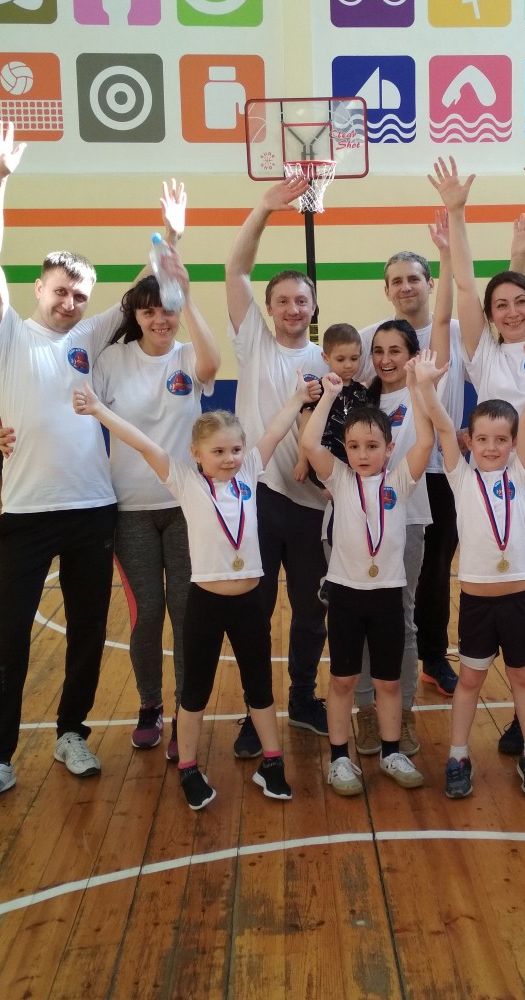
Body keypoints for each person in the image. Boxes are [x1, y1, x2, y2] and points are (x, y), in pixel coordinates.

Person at [72, 377, 313, 810]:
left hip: (251, 602)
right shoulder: (184, 482)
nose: (229, 458)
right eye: (218, 451)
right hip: (206, 604)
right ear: (196, 454)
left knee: (260, 688)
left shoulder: (250, 472)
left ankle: (272, 762)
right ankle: (188, 768)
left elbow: (276, 431)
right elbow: (142, 443)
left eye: (235, 449)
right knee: (195, 691)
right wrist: (98, 411)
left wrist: (298, 398)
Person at [429, 143, 525, 761]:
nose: (513, 309)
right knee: (516, 615)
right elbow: (465, 283)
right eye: (502, 304)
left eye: (522, 301)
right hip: (500, 495)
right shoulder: (483, 355)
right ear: (491, 316)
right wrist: (457, 212)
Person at [0, 123, 123, 808]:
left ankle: (72, 731)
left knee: (89, 631)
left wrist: (172, 238)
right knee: (8, 637)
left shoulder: (89, 337)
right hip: (28, 512)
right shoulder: (6, 333)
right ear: (39, 287)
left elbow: (147, 295)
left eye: (80, 294)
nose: (70, 302)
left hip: (93, 508)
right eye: (62, 290)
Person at [95, 240, 219, 759]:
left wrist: (185, 295)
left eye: (167, 310)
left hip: (186, 507)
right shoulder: (111, 360)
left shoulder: (188, 356)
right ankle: (149, 703)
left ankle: (184, 712)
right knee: (146, 613)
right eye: (150, 311)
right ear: (136, 316)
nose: (160, 319)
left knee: (186, 611)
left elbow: (214, 360)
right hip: (130, 511)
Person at [414, 343, 525, 801]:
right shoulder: (461, 477)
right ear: (469, 441)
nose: (492, 447)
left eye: (501, 440)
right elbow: (440, 425)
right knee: (470, 680)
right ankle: (458, 755)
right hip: (476, 602)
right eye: (483, 439)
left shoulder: (521, 477)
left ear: (512, 445)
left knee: (523, 679)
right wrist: (426, 386)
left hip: (518, 600)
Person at [225, 175, 329, 757]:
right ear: (268, 309)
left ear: (313, 308)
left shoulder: (329, 362)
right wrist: (264, 207)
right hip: (260, 498)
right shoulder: (255, 345)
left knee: (313, 610)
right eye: (283, 300)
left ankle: (304, 698)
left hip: (314, 505)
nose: (292, 308)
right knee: (256, 610)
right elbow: (234, 269)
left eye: (301, 300)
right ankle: (254, 710)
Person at [302, 355, 435, 796]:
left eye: (372, 446)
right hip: (345, 595)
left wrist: (417, 389)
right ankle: (339, 759)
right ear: (345, 448)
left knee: (387, 682)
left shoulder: (399, 481)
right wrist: (330, 395)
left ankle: (391, 752)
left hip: (386, 596)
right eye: (355, 446)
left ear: (388, 449)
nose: (363, 454)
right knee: (342, 680)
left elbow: (426, 442)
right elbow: (309, 442)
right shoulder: (339, 479)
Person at [358, 222, 463, 699]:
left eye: (413, 278)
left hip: (440, 472)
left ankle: (433, 657)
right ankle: (375, 667)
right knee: (383, 571)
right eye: (396, 280)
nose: (405, 287)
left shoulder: (451, 332)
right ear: (386, 290)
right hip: (385, 478)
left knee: (434, 573)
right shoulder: (371, 340)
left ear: (430, 283)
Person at [352, 319, 429, 758]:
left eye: (395, 350)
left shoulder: (424, 395)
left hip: (409, 520)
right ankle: (366, 710)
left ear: (412, 355)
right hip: (355, 525)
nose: (384, 359)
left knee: (403, 618)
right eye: (378, 351)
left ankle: (403, 712)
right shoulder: (359, 400)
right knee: (358, 622)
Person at [293, 322, 370, 489]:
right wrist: (302, 461)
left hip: (353, 460)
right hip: (322, 459)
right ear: (325, 357)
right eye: (340, 359)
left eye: (354, 358)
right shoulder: (317, 390)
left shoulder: (363, 393)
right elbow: (304, 428)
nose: (348, 365)